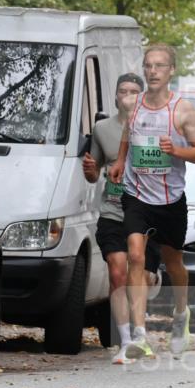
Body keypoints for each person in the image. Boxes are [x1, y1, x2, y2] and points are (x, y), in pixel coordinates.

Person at [108, 44, 195, 361]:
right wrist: (121, 161)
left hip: (170, 200)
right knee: (135, 256)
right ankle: (139, 336)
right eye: (148, 66)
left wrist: (176, 150)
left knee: (174, 262)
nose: (152, 71)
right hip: (136, 195)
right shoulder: (134, 105)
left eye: (159, 66)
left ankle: (181, 313)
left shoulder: (182, 110)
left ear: (171, 71)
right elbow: (128, 132)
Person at [82, 73, 162, 364]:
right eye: (123, 91)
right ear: (115, 97)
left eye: (134, 91)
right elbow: (93, 174)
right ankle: (126, 340)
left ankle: (140, 329)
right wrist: (90, 170)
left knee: (140, 275)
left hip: (145, 211)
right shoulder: (102, 129)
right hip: (113, 211)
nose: (128, 96)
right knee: (117, 272)